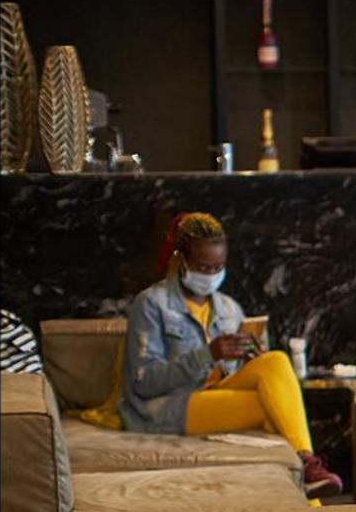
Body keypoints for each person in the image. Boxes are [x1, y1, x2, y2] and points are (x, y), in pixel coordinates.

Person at [118, 212, 342, 497]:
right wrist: (208, 354)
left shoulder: (229, 308)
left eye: (218, 267)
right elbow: (143, 382)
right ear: (181, 260)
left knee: (275, 361)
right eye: (203, 267)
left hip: (217, 393)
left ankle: (308, 469)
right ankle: (310, 485)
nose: (211, 275)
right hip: (167, 406)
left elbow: (234, 374)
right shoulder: (152, 304)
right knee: (273, 408)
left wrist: (251, 360)